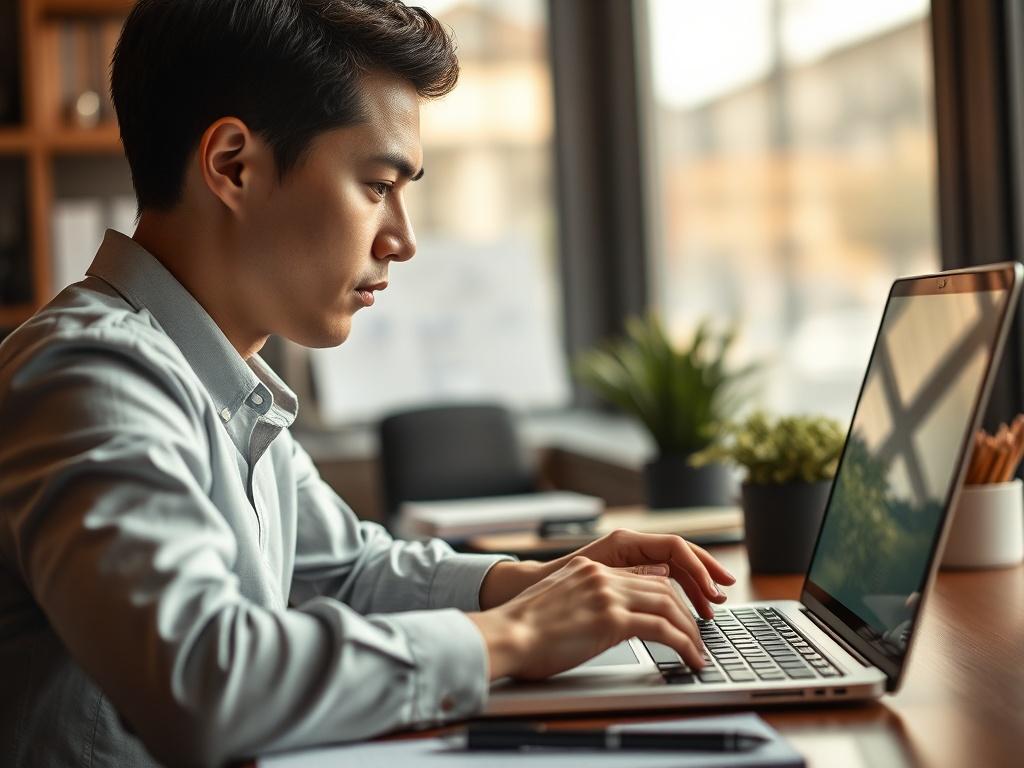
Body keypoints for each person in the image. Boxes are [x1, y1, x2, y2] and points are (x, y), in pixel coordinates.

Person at [0, 2, 735, 766]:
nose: (403, 240)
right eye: (377, 185)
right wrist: (515, 637)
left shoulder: (214, 379)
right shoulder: (91, 378)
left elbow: (344, 572)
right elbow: (205, 682)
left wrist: (537, 583)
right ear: (232, 166)